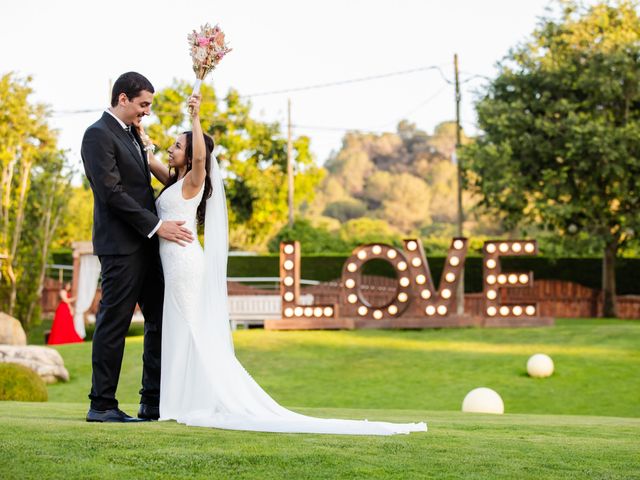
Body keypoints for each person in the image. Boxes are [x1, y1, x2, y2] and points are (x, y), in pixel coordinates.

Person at [144, 94, 426, 435]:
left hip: (185, 266)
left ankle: (204, 399)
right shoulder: (174, 183)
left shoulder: (193, 181)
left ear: (191, 156)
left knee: (192, 329)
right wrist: (141, 138)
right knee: (179, 329)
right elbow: (151, 162)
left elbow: (202, 156)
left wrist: (197, 116)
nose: (171, 149)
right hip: (172, 265)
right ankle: (178, 401)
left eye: (178, 146)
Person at [81, 72, 195, 423]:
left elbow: (152, 182)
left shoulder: (132, 135)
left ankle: (152, 402)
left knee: (160, 321)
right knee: (114, 322)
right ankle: (101, 404)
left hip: (148, 247)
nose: (146, 112)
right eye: (143, 104)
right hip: (120, 246)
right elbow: (111, 192)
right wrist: (158, 225)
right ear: (122, 98)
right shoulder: (97, 135)